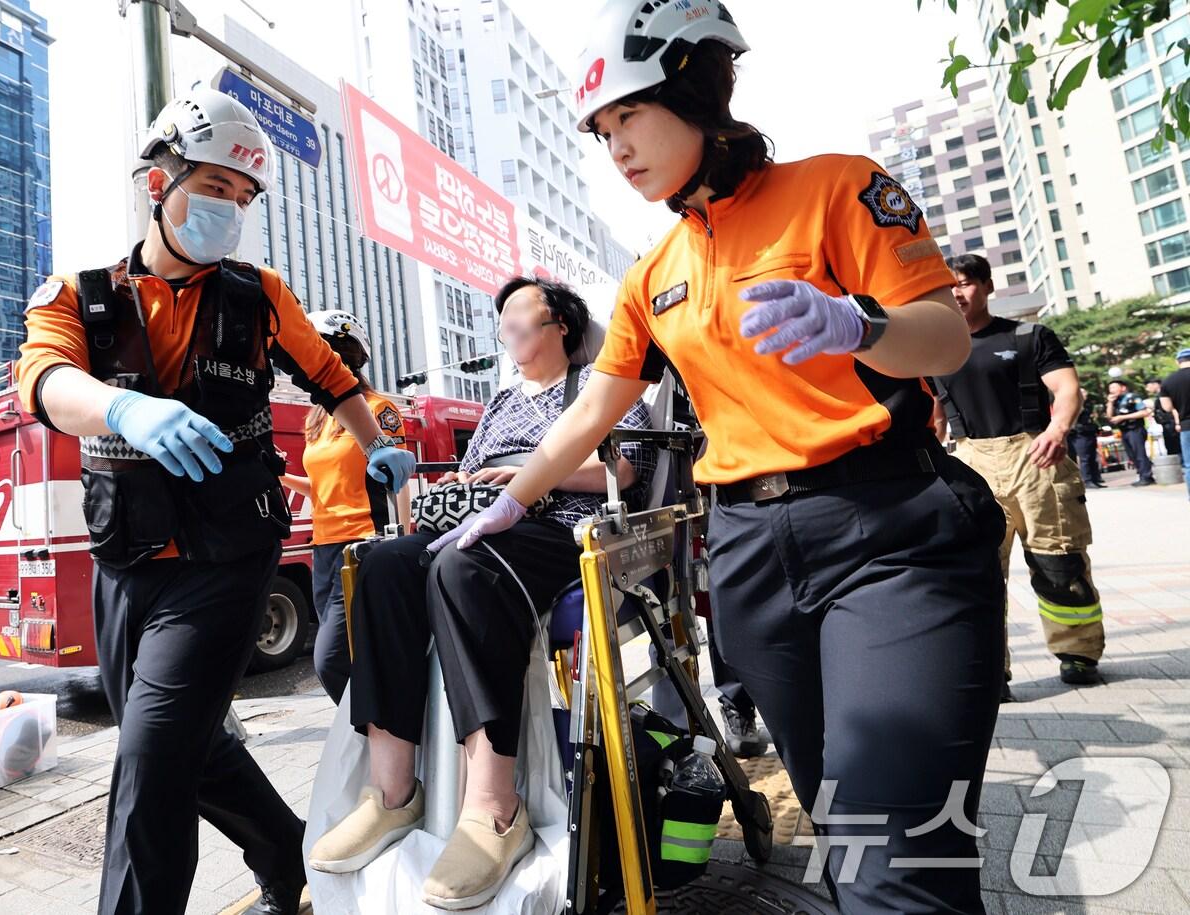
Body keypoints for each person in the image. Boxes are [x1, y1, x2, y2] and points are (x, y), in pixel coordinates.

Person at [427, 3, 1008, 911]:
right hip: (747, 555)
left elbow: (945, 337)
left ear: (696, 89)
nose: (616, 148)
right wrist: (513, 498)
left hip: (887, 533)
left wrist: (860, 324)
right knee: (846, 825)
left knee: (899, 860)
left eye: (629, 115)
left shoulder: (838, 187)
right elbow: (593, 408)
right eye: (601, 131)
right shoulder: (651, 273)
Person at [14, 89, 415, 915]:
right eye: (213, 187)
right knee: (179, 742)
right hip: (127, 558)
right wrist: (122, 407)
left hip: (230, 553)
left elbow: (333, 377)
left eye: (242, 195)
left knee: (151, 757)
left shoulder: (260, 294)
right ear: (157, 185)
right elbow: (45, 381)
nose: (229, 208)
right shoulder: (78, 296)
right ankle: (288, 858)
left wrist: (377, 442)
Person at [307, 277, 656, 910]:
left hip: (561, 528)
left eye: (522, 313)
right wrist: (467, 484)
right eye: (503, 319)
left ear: (562, 327)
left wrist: (524, 477)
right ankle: (392, 793)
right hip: (480, 522)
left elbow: (626, 466)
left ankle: (495, 808)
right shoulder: (499, 402)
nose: (507, 327)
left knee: (462, 568)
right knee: (385, 567)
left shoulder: (596, 385)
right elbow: (473, 476)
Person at [931, 254, 1104, 694]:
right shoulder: (936, 350)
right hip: (971, 463)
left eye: (965, 283)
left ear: (987, 286)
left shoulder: (1029, 337)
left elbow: (1067, 387)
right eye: (949, 286)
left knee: (1058, 561)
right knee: (978, 573)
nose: (956, 293)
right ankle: (992, 670)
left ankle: (1078, 654)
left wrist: (1057, 430)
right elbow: (934, 419)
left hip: (1036, 457)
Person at [280, 310, 411, 703]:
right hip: (323, 549)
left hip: (365, 544)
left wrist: (402, 543)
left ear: (343, 353)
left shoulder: (377, 408)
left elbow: (399, 481)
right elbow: (322, 487)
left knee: (331, 659)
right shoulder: (317, 420)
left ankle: (374, 726)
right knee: (352, 656)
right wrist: (280, 476)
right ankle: (374, 729)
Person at [1108, 380, 1156, 486]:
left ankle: (1147, 476)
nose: (1111, 390)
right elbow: (1109, 416)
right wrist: (1110, 403)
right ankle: (1141, 474)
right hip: (1124, 430)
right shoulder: (1116, 401)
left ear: (1123, 388)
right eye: (1110, 388)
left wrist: (1123, 417)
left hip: (1135, 429)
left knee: (1139, 453)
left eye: (1114, 387)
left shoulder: (1133, 397)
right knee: (1132, 454)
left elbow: (1144, 412)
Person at [1162, 347, 1190, 500]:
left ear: (1177, 362)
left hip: (1186, 425)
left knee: (1189, 464)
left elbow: (1167, 407)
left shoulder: (1169, 381)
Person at [1068, 388, 1106, 488]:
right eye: (1082, 393)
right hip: (1080, 434)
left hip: (1090, 432)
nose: (1085, 395)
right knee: (1085, 458)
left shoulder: (1088, 405)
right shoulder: (1074, 404)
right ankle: (1087, 479)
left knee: (1092, 457)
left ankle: (1095, 478)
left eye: (1085, 393)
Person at [1146, 380, 1181, 457]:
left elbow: (1172, 409)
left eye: (1148, 386)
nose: (1147, 389)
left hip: (1171, 423)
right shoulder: (1159, 397)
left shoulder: (1165, 395)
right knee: (1171, 446)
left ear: (1155, 384)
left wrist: (1177, 423)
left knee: (1175, 446)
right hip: (1166, 424)